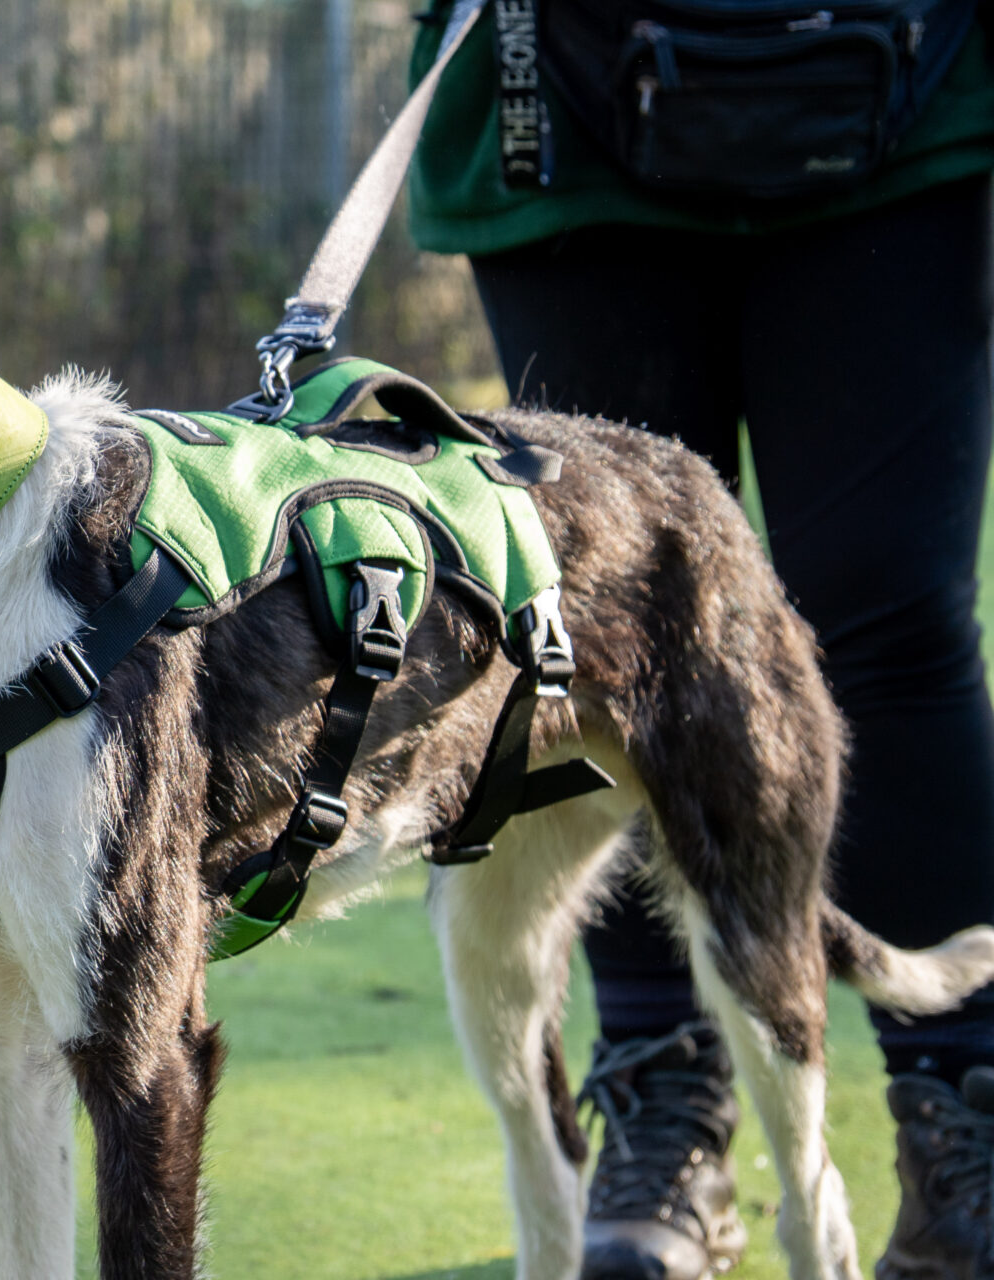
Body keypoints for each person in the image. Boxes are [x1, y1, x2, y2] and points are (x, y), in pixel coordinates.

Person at [408, 4, 994, 1277]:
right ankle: (663, 1102)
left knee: (891, 610)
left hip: (904, 81)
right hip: (561, 98)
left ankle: (963, 1106)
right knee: (593, 630)